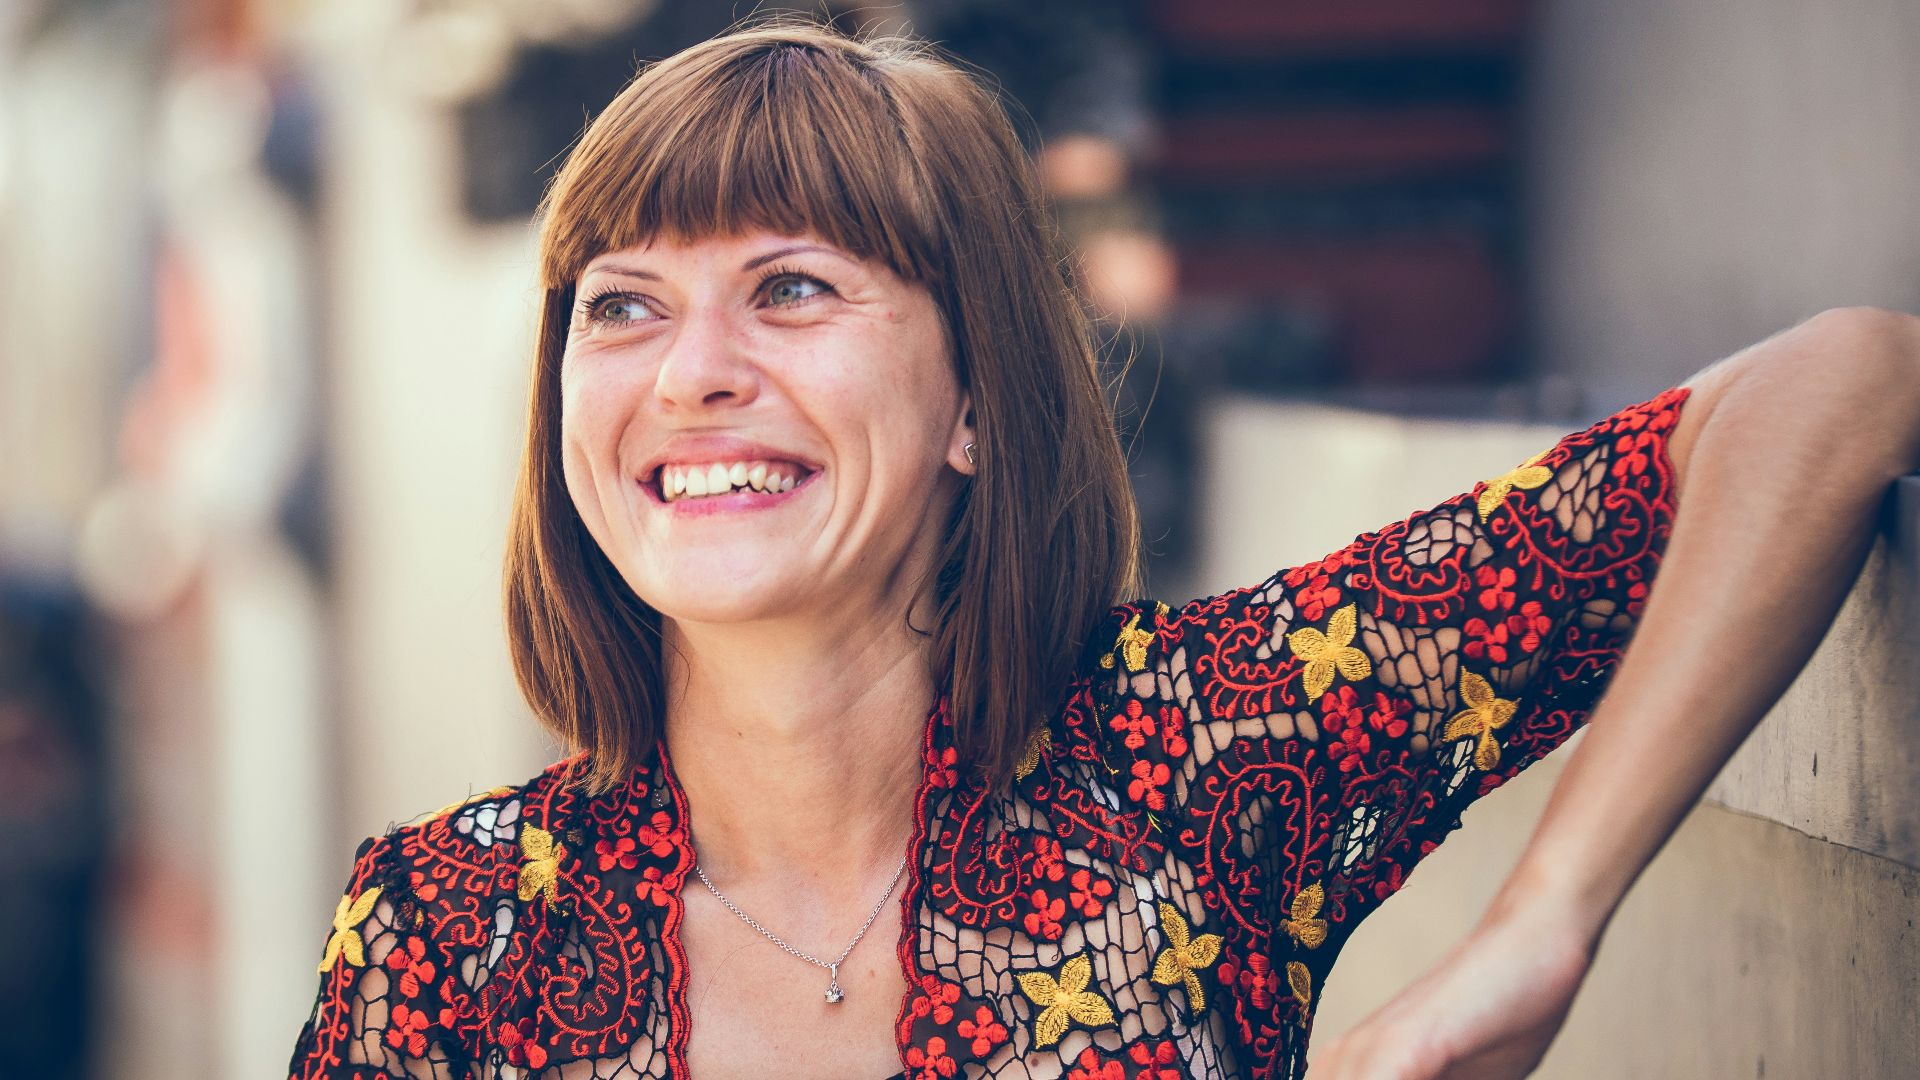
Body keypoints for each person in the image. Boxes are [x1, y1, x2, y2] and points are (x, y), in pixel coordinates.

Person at [285, 21, 1920, 1080]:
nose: (687, 371)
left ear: (974, 399)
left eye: (790, 287)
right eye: (620, 307)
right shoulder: (450, 933)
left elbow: (1842, 384)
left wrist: (1545, 922)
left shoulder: (1198, 756)